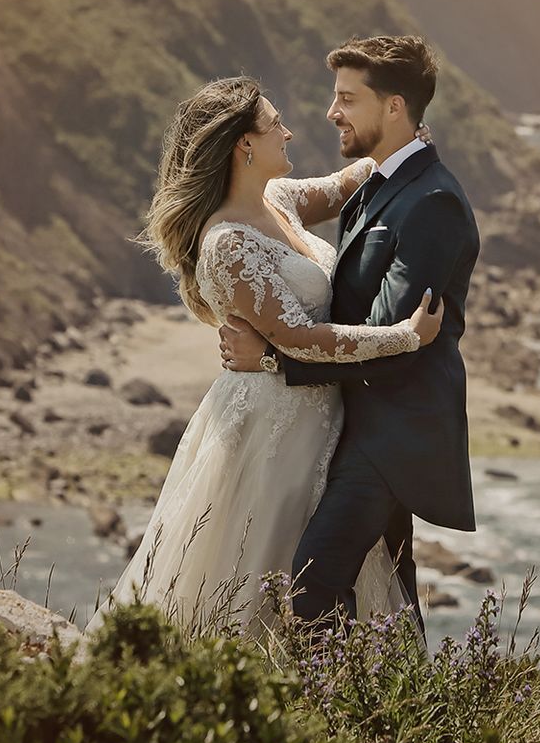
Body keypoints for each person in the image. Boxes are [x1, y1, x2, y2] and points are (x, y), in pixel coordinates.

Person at [87, 74, 441, 637]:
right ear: (244, 145)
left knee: (321, 570)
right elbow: (302, 339)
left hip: (317, 417)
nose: (289, 132)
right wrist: (405, 336)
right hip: (272, 425)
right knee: (261, 574)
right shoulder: (228, 244)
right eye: (277, 124)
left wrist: (399, 137)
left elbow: (345, 184)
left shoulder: (278, 199)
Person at [218, 35, 480, 639]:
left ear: (393, 107)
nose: (331, 112)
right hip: (355, 422)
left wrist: (272, 359)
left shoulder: (433, 203)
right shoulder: (381, 178)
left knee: (311, 586)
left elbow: (394, 338)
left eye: (347, 99)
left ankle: (328, 701)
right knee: (390, 599)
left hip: (393, 433)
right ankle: (392, 698)